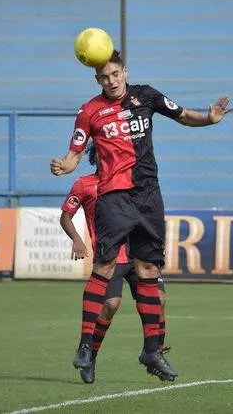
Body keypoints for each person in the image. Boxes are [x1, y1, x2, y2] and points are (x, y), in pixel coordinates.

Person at [51, 50, 230, 381]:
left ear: (125, 72)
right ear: (97, 80)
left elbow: (182, 115)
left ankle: (152, 350)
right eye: (104, 77)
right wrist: (64, 166)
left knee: (149, 269)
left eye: (116, 74)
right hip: (113, 197)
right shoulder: (89, 111)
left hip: (148, 195)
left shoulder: (146, 95)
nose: (112, 81)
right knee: (104, 267)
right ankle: (87, 346)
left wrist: (209, 119)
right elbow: (74, 156)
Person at [60, 142, 169, 384]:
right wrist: (77, 239)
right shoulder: (85, 184)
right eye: (103, 152)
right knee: (110, 304)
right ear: (95, 156)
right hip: (111, 255)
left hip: (138, 254)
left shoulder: (133, 182)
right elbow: (66, 215)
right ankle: (91, 355)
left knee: (159, 299)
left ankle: (156, 354)